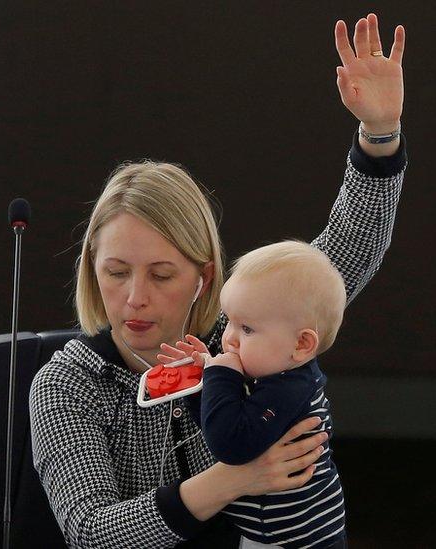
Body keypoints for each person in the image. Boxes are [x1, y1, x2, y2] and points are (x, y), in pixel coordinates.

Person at [28, 13, 406, 548]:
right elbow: (92, 533)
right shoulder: (68, 384)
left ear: (205, 276)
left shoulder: (242, 335)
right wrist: (236, 478)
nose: (135, 297)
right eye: (115, 272)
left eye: (163, 274)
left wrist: (380, 133)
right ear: (92, 268)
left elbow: (351, 245)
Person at [157, 241, 348, 548]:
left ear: (301, 345)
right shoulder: (271, 373)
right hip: (264, 536)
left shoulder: (289, 390)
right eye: (229, 321)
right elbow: (215, 426)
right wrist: (203, 384)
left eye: (246, 329)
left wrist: (219, 375)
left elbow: (229, 446)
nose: (228, 339)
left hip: (302, 541)